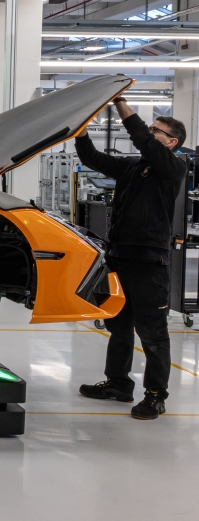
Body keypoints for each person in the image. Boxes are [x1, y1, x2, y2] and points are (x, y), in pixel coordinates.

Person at [75, 96, 187, 420]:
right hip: (120, 256)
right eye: (150, 128)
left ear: (172, 141)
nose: (149, 133)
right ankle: (118, 383)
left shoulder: (173, 168)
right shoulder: (132, 166)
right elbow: (93, 158)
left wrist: (121, 104)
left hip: (149, 262)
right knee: (118, 324)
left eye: (157, 130)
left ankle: (155, 395)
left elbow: (143, 141)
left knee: (152, 332)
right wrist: (80, 131)